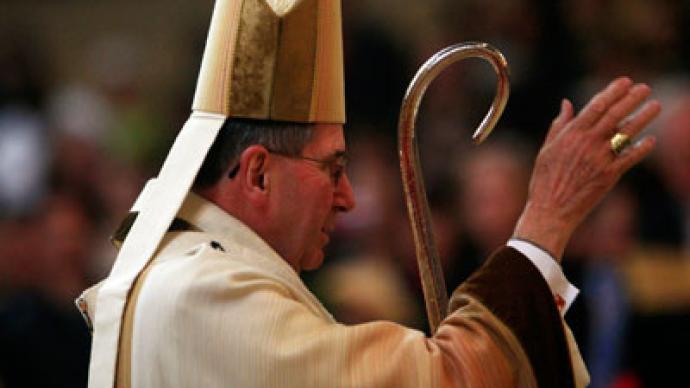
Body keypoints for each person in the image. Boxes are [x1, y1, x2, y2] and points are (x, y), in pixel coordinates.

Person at [77, 1, 661, 387]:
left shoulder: (196, 275)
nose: (349, 198)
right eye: (332, 169)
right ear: (257, 173)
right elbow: (447, 379)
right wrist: (547, 219)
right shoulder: (201, 293)